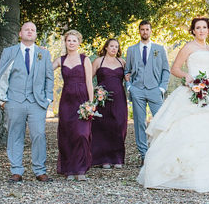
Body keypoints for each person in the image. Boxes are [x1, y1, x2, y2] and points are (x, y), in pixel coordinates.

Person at [137, 17, 209, 192]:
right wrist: (187, 76)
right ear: (193, 31)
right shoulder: (188, 47)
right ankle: (180, 175)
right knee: (188, 130)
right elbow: (175, 68)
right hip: (191, 92)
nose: (202, 30)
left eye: (205, 27)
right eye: (198, 27)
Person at [0, 22, 54, 183]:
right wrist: (2, 100)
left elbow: (50, 77)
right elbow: (1, 76)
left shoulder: (43, 54)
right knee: (15, 136)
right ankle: (16, 171)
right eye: (26, 29)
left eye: (33, 30)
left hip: (37, 102)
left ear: (36, 35)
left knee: (39, 135)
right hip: (15, 101)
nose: (30, 32)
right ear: (20, 33)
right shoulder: (9, 52)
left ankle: (40, 170)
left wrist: (48, 99)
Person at [124, 20, 169, 163]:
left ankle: (159, 152)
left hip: (155, 89)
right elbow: (127, 71)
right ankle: (144, 155)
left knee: (160, 121)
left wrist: (162, 88)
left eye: (147, 29)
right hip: (137, 90)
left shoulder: (159, 49)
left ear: (151, 31)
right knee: (139, 123)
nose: (145, 32)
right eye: (142, 29)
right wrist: (130, 87)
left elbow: (166, 70)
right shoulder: (131, 49)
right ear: (139, 31)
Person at [53, 30, 94, 181]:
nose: (71, 43)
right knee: (67, 134)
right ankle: (69, 169)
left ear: (79, 43)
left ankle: (81, 169)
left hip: (82, 100)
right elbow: (46, 70)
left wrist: (91, 103)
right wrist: (42, 54)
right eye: (68, 40)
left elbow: (89, 82)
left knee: (82, 133)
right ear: (65, 42)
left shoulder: (85, 59)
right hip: (66, 101)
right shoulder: (60, 60)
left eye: (74, 41)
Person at [91, 38, 127, 169]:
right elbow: (89, 79)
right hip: (102, 99)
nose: (114, 48)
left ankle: (117, 158)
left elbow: (128, 77)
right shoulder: (97, 61)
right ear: (106, 47)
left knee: (119, 126)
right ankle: (103, 159)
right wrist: (94, 93)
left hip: (119, 98)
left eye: (116, 47)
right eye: (111, 46)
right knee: (102, 126)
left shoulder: (122, 62)